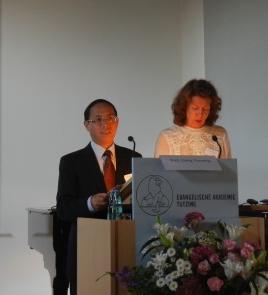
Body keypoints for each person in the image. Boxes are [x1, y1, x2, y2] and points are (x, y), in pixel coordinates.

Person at [56, 99, 142, 295]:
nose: (105, 124)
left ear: (117, 122)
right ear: (87, 125)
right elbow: (63, 209)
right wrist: (90, 203)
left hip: (127, 245)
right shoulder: (71, 162)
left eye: (110, 118)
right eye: (98, 119)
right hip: (88, 247)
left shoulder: (134, 158)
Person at [154, 79, 232, 158]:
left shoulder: (220, 134)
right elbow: (159, 166)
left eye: (205, 109)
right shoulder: (167, 137)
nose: (200, 114)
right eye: (195, 108)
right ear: (184, 107)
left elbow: (227, 165)